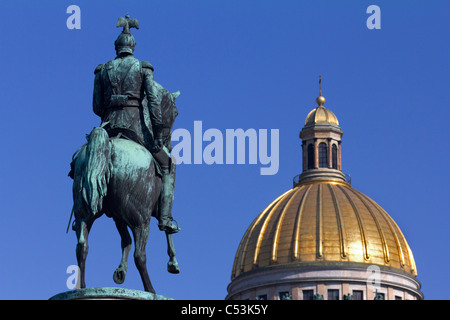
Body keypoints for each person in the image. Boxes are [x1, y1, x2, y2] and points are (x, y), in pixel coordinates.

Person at [92, 15, 180, 234]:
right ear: (132, 47)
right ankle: (166, 218)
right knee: (169, 164)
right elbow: (153, 102)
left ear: (116, 47)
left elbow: (96, 106)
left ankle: (81, 214)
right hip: (135, 129)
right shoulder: (143, 68)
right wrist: (158, 132)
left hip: (108, 127)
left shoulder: (102, 70)